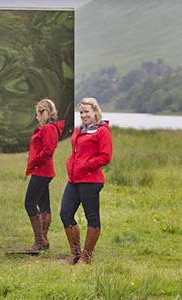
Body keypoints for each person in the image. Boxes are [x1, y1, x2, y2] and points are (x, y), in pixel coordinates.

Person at [60, 97, 112, 264]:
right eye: (81, 112)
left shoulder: (102, 131)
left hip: (91, 180)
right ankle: (75, 253)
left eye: (87, 112)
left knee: (92, 217)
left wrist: (86, 165)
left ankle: (86, 256)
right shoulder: (78, 130)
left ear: (95, 112)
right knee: (65, 214)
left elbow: (105, 157)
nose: (83, 115)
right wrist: (72, 164)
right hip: (74, 179)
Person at [25, 99, 65, 251]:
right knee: (44, 205)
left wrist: (34, 161)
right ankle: (44, 240)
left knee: (29, 203)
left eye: (37, 114)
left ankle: (39, 240)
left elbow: (48, 151)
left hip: (42, 171)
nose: (36, 118)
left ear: (43, 112)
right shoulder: (50, 128)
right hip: (43, 170)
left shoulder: (48, 129)